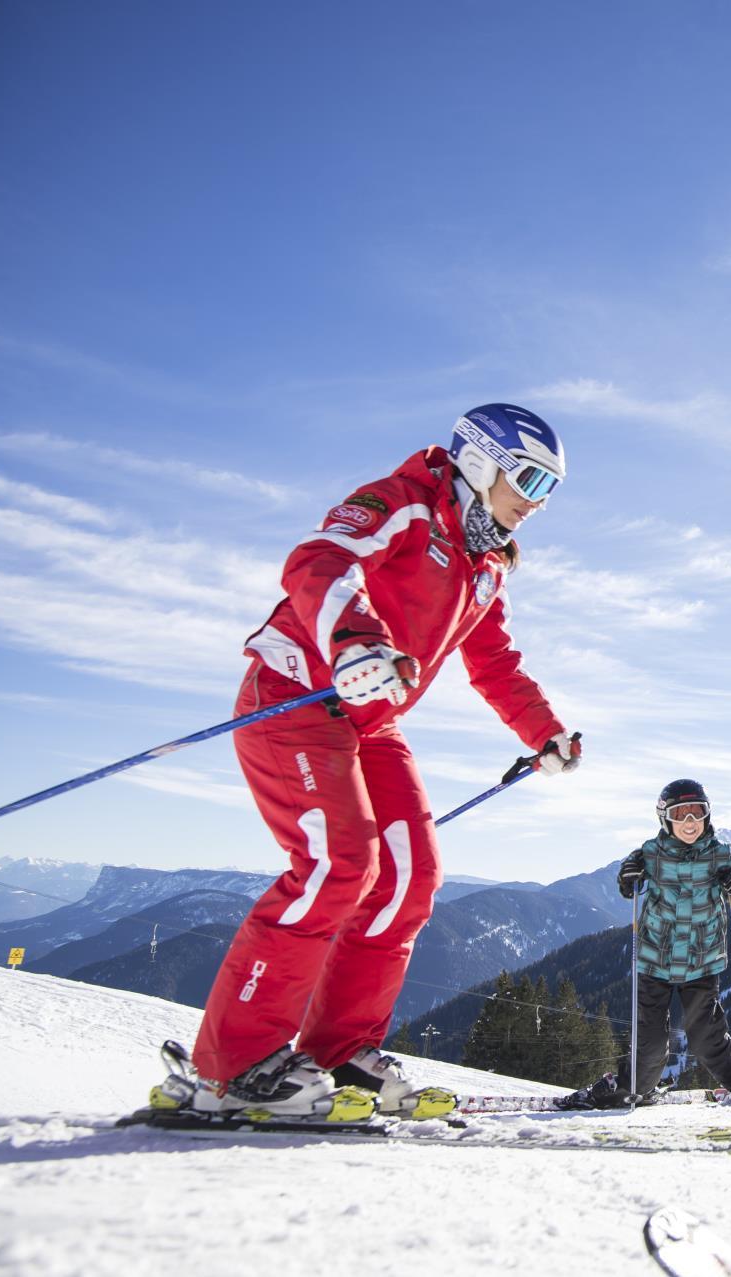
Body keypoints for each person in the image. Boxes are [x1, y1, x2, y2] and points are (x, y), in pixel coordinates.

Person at [156, 403, 583, 1121]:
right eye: (528, 479)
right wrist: (354, 642)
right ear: (481, 460)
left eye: (549, 490)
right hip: (297, 691)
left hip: (369, 722)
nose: (535, 503)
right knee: (336, 862)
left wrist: (543, 731)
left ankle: (338, 1053)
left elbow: (492, 660)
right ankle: (232, 1069)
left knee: (411, 875)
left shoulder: (487, 565)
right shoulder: (404, 504)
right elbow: (319, 562)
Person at [560, 779, 731, 1108]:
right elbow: (628, 875)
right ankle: (628, 1089)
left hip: (702, 963)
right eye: (680, 814)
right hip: (654, 961)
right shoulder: (650, 853)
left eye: (696, 813)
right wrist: (627, 877)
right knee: (652, 1045)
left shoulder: (720, 854)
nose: (689, 822)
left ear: (707, 816)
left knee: (706, 1039)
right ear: (665, 819)